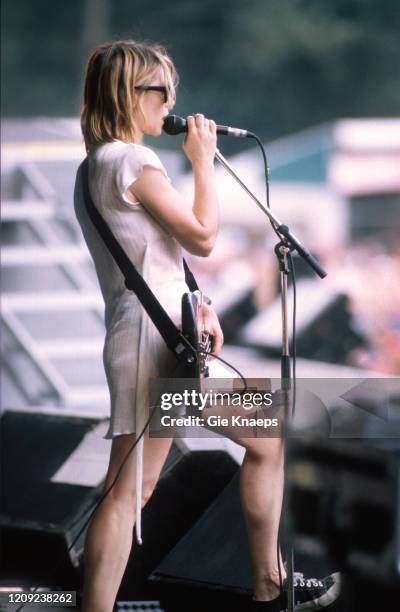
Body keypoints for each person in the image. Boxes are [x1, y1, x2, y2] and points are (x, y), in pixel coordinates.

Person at [74, 40, 340, 612]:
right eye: (160, 90)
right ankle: (264, 583)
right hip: (155, 342)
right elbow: (202, 235)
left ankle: (270, 581)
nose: (170, 102)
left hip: (157, 332)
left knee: (251, 443)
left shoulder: (96, 167)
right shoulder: (132, 161)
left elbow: (152, 256)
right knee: (130, 491)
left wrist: (201, 302)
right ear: (130, 94)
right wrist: (201, 162)